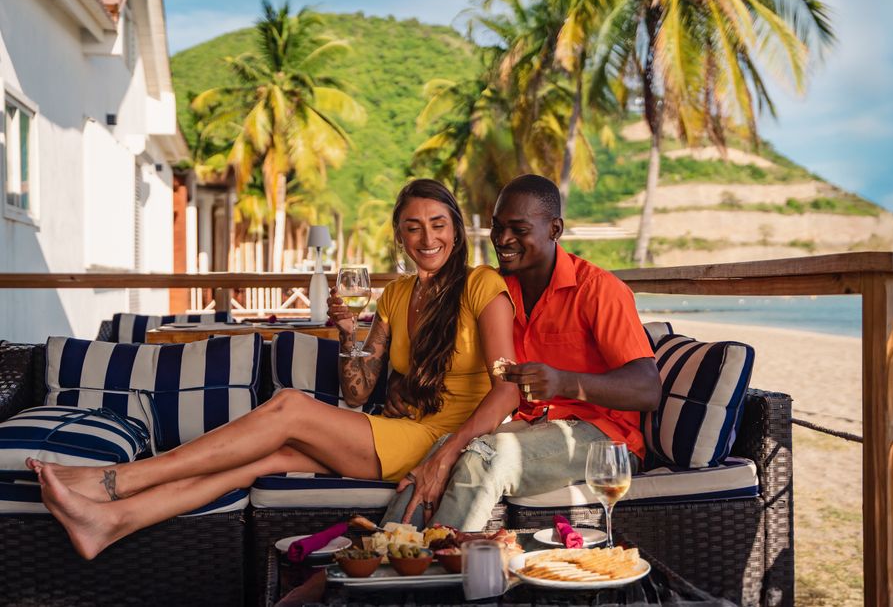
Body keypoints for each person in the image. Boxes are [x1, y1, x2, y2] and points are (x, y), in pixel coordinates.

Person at [28, 179, 518, 559]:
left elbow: (508, 390)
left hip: (441, 437)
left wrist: (444, 456)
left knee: (288, 406)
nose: (427, 237)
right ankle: (111, 523)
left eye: (437, 223)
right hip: (401, 431)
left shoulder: (481, 284)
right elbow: (357, 390)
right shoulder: (395, 295)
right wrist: (349, 336)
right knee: (264, 459)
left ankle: (116, 481)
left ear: (455, 227)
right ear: (400, 236)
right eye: (414, 226)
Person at [385, 174, 662, 531]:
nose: (503, 240)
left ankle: (440, 567)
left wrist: (562, 382)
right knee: (442, 450)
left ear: (555, 229)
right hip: (528, 426)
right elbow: (438, 351)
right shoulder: (496, 289)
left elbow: (647, 388)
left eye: (518, 229)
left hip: (603, 439)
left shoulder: (599, 290)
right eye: (497, 228)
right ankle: (383, 552)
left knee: (485, 457)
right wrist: (398, 381)